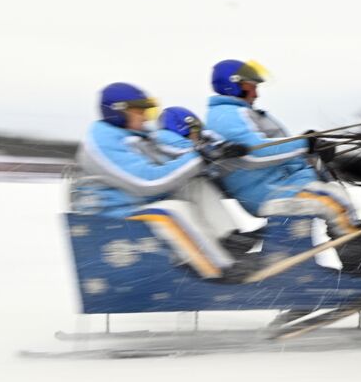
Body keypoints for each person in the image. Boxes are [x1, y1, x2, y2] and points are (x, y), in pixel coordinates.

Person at [204, 59, 361, 275]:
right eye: (251, 86)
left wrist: (311, 149)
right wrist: (306, 143)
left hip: (275, 185)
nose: (256, 93)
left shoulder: (237, 113)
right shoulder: (228, 116)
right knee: (333, 202)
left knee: (334, 193)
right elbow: (256, 152)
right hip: (268, 192)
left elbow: (274, 150)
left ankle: (360, 257)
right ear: (234, 84)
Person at [70, 83, 238, 280]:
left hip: (137, 202)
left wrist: (211, 153)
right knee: (173, 210)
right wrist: (199, 157)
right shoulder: (103, 142)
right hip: (113, 213)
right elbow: (146, 183)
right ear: (118, 112)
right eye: (138, 111)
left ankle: (231, 243)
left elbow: (172, 162)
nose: (145, 116)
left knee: (195, 185)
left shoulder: (137, 135)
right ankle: (220, 269)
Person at [153, 106, 261, 258]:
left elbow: (207, 143)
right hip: (171, 192)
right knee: (199, 186)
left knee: (215, 182)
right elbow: (187, 150)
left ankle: (232, 237)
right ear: (180, 129)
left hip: (184, 187)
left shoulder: (195, 140)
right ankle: (227, 240)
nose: (196, 135)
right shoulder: (163, 137)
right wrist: (215, 150)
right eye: (193, 131)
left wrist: (226, 146)